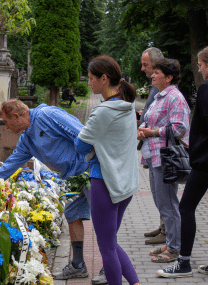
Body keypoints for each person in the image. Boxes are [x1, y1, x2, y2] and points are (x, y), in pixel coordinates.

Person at [0, 99, 106, 283]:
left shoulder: (48, 116)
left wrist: (99, 168)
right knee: (72, 213)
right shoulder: (27, 139)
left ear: (16, 116)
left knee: (103, 221)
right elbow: (11, 165)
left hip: (91, 171)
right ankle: (77, 265)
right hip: (75, 177)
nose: (5, 127)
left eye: (5, 122)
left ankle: (109, 267)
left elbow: (83, 134)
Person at [75, 55, 140, 285]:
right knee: (110, 242)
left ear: (104, 78)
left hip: (105, 183)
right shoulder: (128, 107)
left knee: (107, 248)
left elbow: (80, 145)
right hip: (125, 185)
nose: (89, 83)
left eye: (91, 78)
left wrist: (93, 142)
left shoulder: (103, 112)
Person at [157, 47, 208, 277]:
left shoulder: (206, 89)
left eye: (201, 64)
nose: (199, 69)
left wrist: (196, 152)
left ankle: (184, 262)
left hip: (204, 161)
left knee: (186, 207)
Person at [137, 58, 190, 263]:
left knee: (168, 204)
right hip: (154, 157)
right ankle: (171, 243)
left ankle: (175, 249)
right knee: (162, 203)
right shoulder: (161, 96)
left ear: (169, 77)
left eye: (157, 72)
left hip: (166, 158)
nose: (152, 74)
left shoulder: (174, 97)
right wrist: (145, 129)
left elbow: (180, 128)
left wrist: (151, 132)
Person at [140, 47, 167, 245]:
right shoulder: (154, 88)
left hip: (161, 150)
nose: (143, 69)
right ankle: (163, 226)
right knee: (157, 192)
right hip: (152, 149)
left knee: (164, 194)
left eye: (146, 65)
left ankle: (167, 233)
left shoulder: (165, 91)